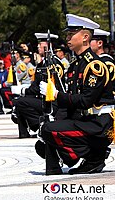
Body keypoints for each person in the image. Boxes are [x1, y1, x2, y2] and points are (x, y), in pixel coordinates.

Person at [36, 14, 114, 175]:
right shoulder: (75, 65)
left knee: (49, 130)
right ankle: (60, 165)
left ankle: (95, 154)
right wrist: (55, 117)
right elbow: (72, 102)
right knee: (47, 131)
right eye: (68, 34)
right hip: (86, 121)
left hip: (100, 124)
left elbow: (85, 101)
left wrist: (56, 95)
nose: (68, 38)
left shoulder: (95, 66)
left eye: (72, 34)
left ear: (85, 37)